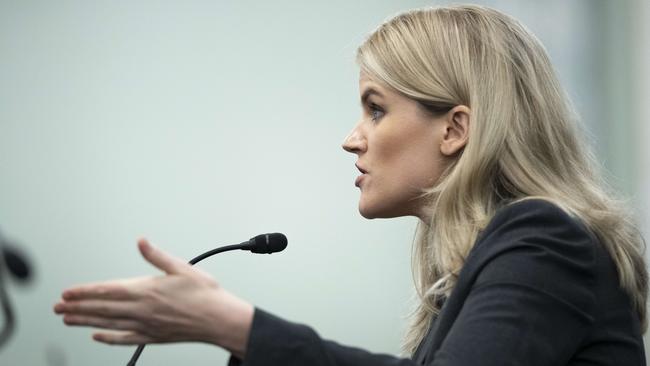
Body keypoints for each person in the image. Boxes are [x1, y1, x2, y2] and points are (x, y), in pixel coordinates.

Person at [53, 4, 648, 365]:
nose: (352, 138)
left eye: (376, 109)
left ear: (455, 129)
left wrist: (231, 324)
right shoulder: (486, 264)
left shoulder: (543, 240)